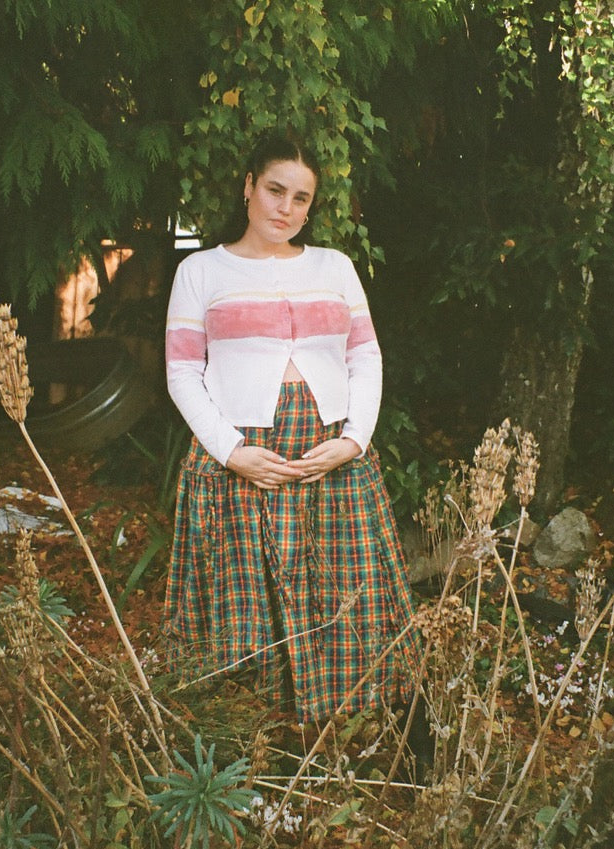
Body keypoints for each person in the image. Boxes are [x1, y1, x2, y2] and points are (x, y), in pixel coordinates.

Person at [163, 134, 423, 727]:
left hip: (328, 461)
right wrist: (233, 453)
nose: (286, 208)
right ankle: (245, 738)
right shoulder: (201, 271)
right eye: (275, 190)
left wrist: (353, 439)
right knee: (244, 609)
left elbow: (365, 357)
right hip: (243, 464)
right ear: (248, 186)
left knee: (343, 595)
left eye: (301, 198)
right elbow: (182, 372)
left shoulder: (335, 268)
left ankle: (345, 731)